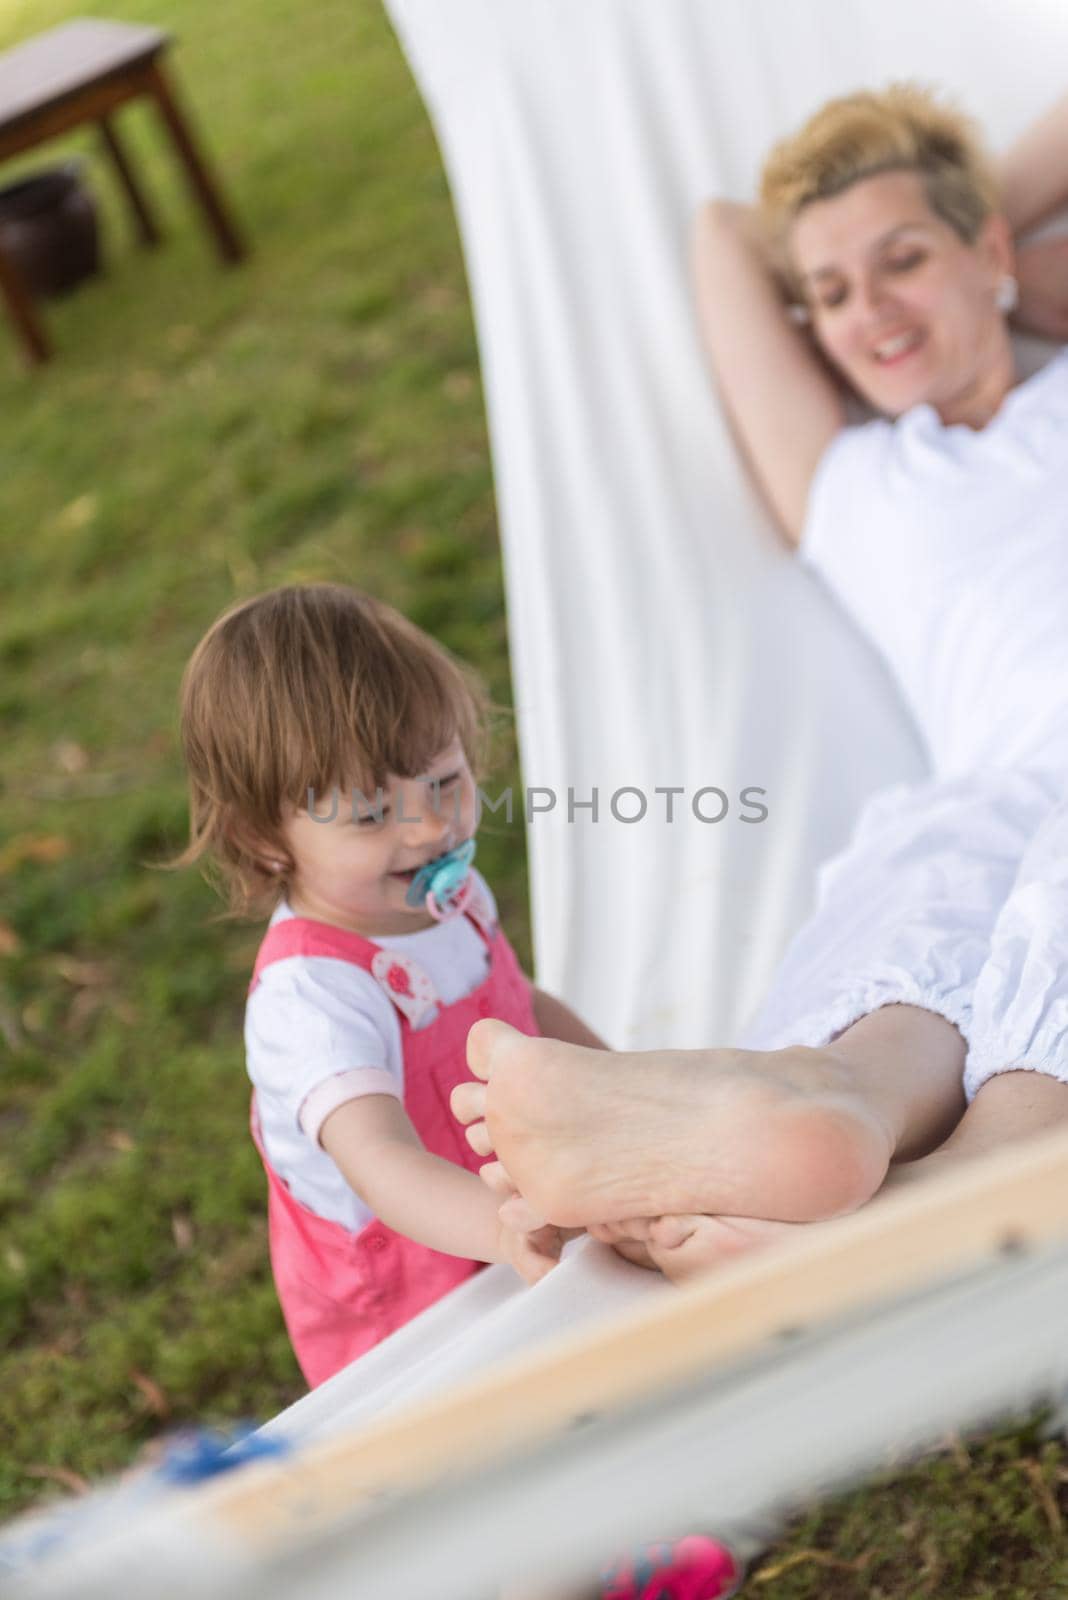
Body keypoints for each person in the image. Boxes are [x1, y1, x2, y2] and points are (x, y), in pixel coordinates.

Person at [452, 82, 1068, 1281]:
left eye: (904, 262)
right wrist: (922, 250)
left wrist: (1001, 263)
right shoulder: (855, 482)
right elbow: (723, 233)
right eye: (829, 294)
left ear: (990, 240)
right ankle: (833, 1103)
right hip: (997, 780)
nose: (871, 312)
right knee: (930, 897)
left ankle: (969, 1173)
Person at [175, 583, 603, 1389]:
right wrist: (502, 1228)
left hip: (510, 1209)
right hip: (411, 1287)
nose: (430, 828)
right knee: (477, 1437)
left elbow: (517, 1004)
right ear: (265, 839)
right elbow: (380, 1160)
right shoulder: (311, 999)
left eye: (444, 781)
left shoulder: (446, 897)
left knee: (574, 1366)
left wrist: (628, 1081)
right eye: (372, 814)